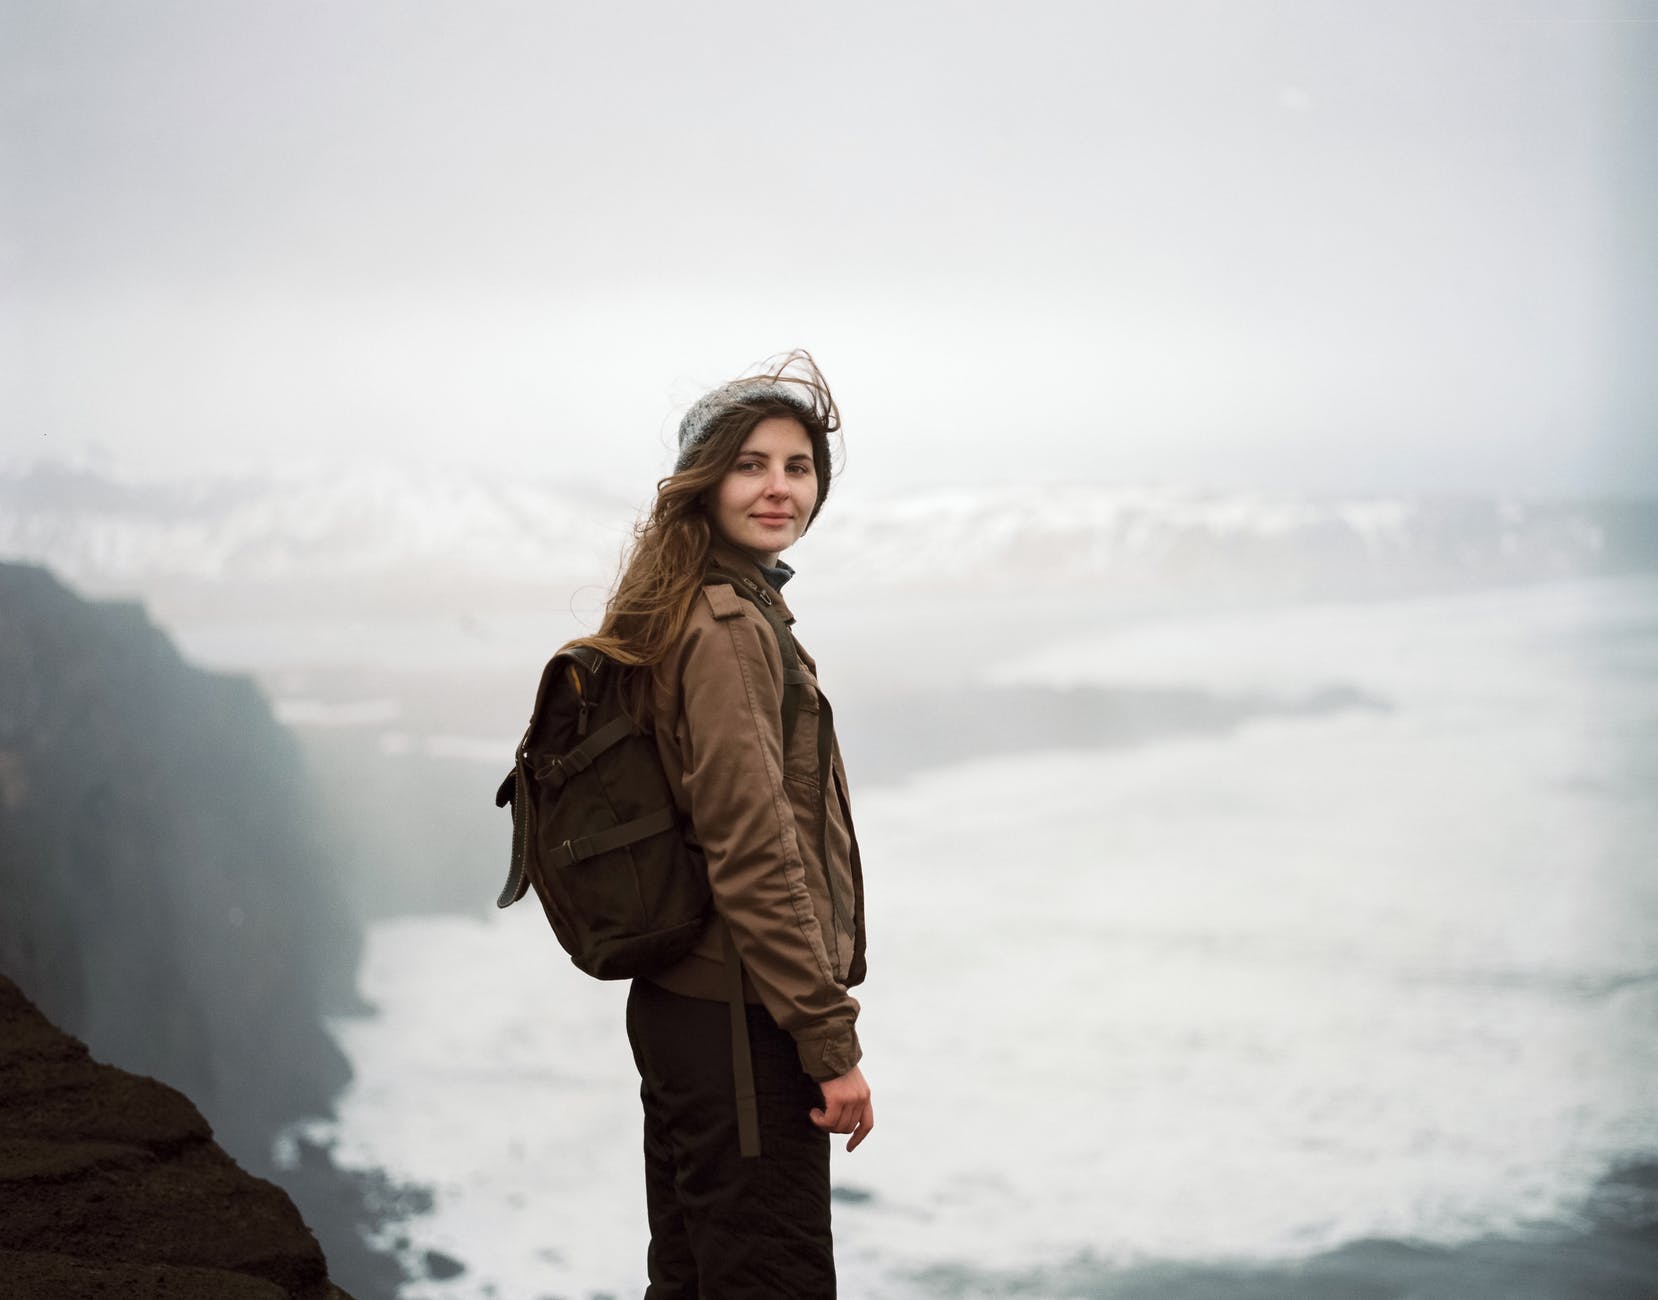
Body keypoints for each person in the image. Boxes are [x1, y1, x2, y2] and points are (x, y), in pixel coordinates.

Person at [572, 350, 871, 1298]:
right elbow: (754, 852)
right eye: (751, 464)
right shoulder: (731, 627)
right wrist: (831, 1045)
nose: (779, 487)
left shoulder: (686, 601)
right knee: (765, 1280)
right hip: (742, 1018)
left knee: (694, 1275)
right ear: (705, 482)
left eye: (798, 465)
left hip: (683, 1007)